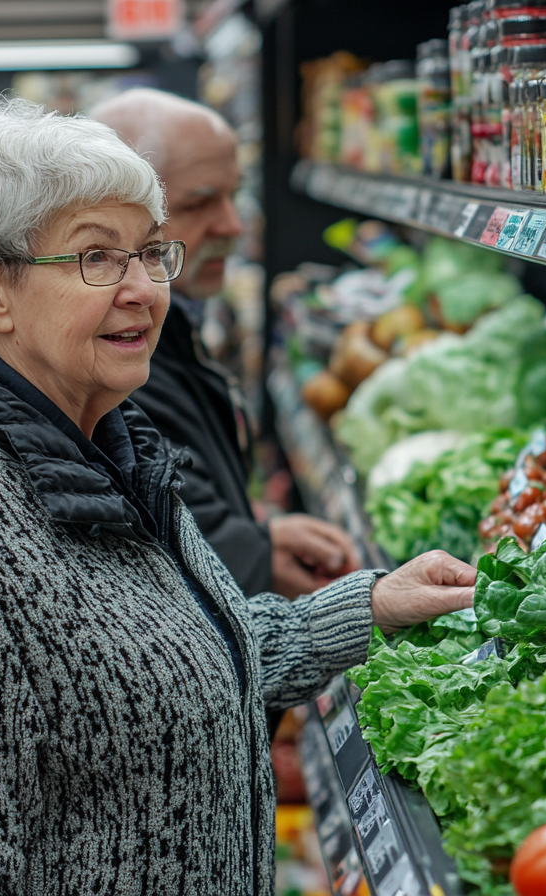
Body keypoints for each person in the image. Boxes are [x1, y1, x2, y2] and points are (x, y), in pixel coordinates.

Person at [0, 97, 476, 896]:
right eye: (98, 258)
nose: (145, 290)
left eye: (152, 253)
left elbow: (159, 679)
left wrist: (360, 610)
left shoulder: (108, 441)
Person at [91, 88, 360, 599]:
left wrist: (256, 539)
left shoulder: (172, 324)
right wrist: (253, 555)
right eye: (199, 202)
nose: (233, 225)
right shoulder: (108, 351)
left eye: (234, 194)